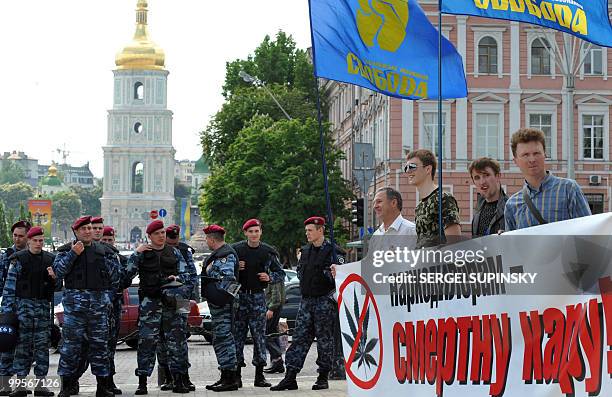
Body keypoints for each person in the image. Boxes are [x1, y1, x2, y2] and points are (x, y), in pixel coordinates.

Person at [271, 216, 345, 391]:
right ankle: (290, 377)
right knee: (299, 339)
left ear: (321, 230)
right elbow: (301, 273)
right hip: (306, 302)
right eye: (306, 231)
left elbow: (340, 279)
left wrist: (334, 272)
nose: (307, 234)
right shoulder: (305, 251)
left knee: (324, 340)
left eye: (310, 230)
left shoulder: (334, 252)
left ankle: (322, 377)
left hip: (324, 302)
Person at [53, 216, 120, 397]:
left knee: (100, 347)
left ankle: (103, 386)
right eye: (84, 229)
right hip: (75, 310)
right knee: (70, 348)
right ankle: (67, 385)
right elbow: (58, 273)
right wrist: (73, 254)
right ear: (76, 232)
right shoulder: (65, 251)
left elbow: (116, 279)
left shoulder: (105, 252)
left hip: (98, 309)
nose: (89, 231)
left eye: (90, 228)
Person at [123, 220, 192, 395]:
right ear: (150, 236)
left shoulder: (175, 252)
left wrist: (176, 279)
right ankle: (143, 382)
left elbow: (188, 276)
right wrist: (135, 254)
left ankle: (179, 380)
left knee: (178, 341)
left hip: (174, 302)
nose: (161, 236)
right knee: (146, 342)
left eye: (163, 232)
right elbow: (125, 276)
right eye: (157, 233)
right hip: (150, 303)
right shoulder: (142, 254)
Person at [0, 227, 56, 397]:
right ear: (29, 241)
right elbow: (9, 288)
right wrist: (7, 315)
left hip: (42, 310)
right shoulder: (17, 260)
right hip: (22, 310)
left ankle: (40, 385)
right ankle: (20, 385)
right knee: (22, 348)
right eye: (35, 240)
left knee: (42, 348)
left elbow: (57, 286)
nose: (38, 243)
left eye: (41, 240)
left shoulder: (50, 259)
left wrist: (54, 278)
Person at [231, 219, 284, 388]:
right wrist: (235, 267)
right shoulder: (236, 250)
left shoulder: (267, 252)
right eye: (250, 231)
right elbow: (224, 273)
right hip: (240, 298)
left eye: (256, 231)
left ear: (261, 232)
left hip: (258, 298)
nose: (254, 234)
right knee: (237, 337)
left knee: (259, 337)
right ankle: (236, 375)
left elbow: (280, 273)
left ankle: (259, 375)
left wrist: (270, 278)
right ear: (245, 233)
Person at [505, 128, 592, 231]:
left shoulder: (568, 189)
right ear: (515, 161)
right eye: (525, 155)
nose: (532, 159)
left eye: (536, 153)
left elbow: (588, 232)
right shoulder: (512, 204)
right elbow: (513, 245)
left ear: (545, 155)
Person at [155, 224, 196, 392]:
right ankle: (168, 377)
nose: (171, 244)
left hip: (181, 301)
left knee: (180, 338)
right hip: (161, 300)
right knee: (162, 341)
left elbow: (193, 277)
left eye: (173, 241)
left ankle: (184, 376)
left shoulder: (185, 251)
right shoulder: (156, 251)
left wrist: (184, 294)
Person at [201, 224, 240, 392]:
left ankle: (230, 379)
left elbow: (228, 280)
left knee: (225, 339)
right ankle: (225, 376)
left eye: (207, 239)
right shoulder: (219, 254)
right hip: (219, 305)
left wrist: (220, 299)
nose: (206, 242)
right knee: (220, 340)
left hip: (223, 305)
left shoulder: (225, 255)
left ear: (211, 239)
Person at [405, 149, 461, 248]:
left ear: (428, 169)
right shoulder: (419, 207)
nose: (408, 171)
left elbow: (455, 243)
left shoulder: (443, 198)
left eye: (412, 167)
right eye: (406, 168)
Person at [0, 221, 30, 396]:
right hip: (9, 306)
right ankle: (4, 383)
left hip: (28, 307)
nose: (17, 239)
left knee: (25, 348)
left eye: (21, 236)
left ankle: (21, 384)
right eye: (15, 235)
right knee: (6, 345)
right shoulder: (7, 256)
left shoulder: (33, 254)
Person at [99, 226, 129, 395]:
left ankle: (109, 381)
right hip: (97, 308)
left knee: (110, 346)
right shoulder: (96, 257)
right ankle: (72, 382)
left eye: (110, 240)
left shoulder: (121, 260)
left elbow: (124, 281)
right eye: (104, 240)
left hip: (114, 307)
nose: (107, 243)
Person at [469, 157, 508, 237]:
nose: (482, 182)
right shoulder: (478, 209)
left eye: (486, 175)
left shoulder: (511, 208)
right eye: (477, 178)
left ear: (498, 176)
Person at [263, 271, 286, 374]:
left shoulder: (273, 272)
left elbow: (276, 294)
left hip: (272, 308)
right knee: (272, 334)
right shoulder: (273, 270)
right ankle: (277, 364)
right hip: (272, 307)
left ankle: (278, 358)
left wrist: (271, 308)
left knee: (266, 335)